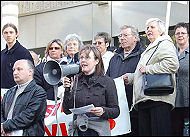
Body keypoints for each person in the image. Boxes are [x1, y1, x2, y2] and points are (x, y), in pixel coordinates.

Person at [122, 18, 179, 136]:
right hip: (145, 99)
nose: (148, 30)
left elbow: (172, 65)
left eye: (152, 27)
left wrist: (148, 69)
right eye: (147, 27)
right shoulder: (150, 48)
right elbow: (141, 74)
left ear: (161, 30)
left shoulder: (164, 43)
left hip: (158, 99)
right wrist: (130, 78)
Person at [62, 45, 120, 136]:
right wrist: (67, 90)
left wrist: (103, 111)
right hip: (79, 131)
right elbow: (66, 110)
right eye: (81, 58)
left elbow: (116, 111)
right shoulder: (76, 80)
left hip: (98, 132)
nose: (83, 60)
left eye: (87, 58)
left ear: (96, 61)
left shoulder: (107, 82)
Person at [106, 25, 146, 136]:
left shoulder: (143, 55)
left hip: (135, 107)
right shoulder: (115, 58)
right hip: (118, 107)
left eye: (125, 35)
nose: (122, 38)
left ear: (135, 38)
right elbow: (107, 78)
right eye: (120, 36)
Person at [1, 59, 47, 136]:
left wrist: (5, 126)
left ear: (30, 72)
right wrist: (2, 127)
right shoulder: (10, 92)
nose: (15, 72)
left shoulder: (39, 92)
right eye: (14, 70)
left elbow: (29, 116)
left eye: (19, 69)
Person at [1, 23, 34, 89]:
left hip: (18, 91)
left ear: (16, 34)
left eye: (11, 32)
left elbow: (30, 74)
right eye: (6, 33)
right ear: (3, 35)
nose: (8, 35)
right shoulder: (2, 54)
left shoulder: (24, 53)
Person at [171, 22, 189, 136]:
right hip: (174, 101)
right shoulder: (171, 53)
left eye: (183, 33)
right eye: (177, 33)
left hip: (187, 99)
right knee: (175, 131)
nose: (180, 35)